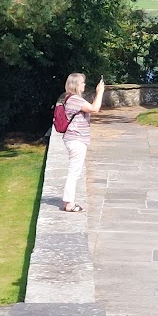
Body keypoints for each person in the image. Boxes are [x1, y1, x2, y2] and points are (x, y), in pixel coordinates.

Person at [61, 72, 105, 213]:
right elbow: (95, 108)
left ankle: (69, 201)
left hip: (75, 139)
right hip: (76, 139)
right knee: (74, 172)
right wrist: (100, 92)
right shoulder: (74, 100)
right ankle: (69, 204)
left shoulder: (71, 98)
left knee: (74, 171)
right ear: (75, 85)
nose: (84, 85)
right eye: (82, 82)